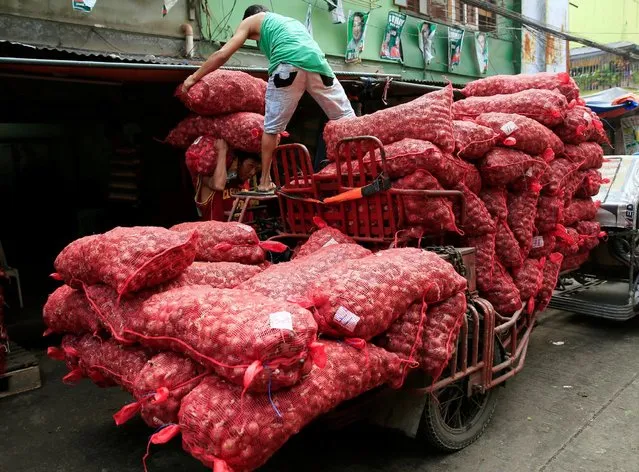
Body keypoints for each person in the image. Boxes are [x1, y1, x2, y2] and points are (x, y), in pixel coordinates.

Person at [182, 4, 356, 192]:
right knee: (346, 117)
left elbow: (223, 54)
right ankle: (360, 165)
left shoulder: (251, 21)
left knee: (272, 128)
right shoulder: (289, 22)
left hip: (287, 66)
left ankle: (265, 181)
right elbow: (304, 49)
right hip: (319, 65)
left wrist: (193, 78)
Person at [194, 139, 261, 221]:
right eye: (250, 166)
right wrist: (222, 151)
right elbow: (218, 185)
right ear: (237, 162)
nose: (252, 173)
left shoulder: (244, 181)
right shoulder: (206, 180)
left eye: (257, 169)